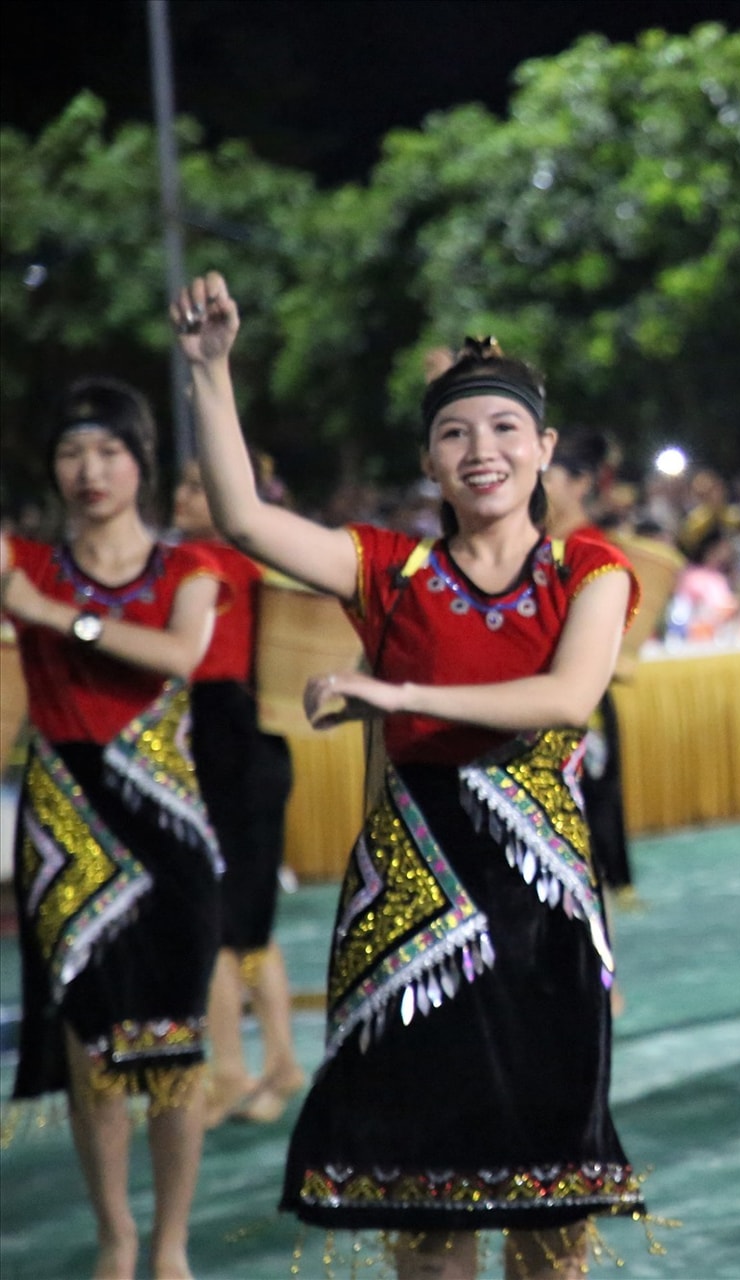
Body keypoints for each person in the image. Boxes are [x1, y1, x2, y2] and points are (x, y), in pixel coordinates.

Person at [174, 272, 648, 1279]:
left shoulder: (588, 567)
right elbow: (248, 521)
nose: (483, 452)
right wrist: (211, 371)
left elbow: (567, 698)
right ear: (429, 458)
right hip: (409, 914)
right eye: (456, 434)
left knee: (549, 1211)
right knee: (426, 1215)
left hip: (543, 920)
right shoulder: (388, 566)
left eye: (506, 428)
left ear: (545, 449)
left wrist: (401, 697)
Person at [2, 377, 223, 1280]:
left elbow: (178, 655)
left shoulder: (188, 571)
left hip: (168, 830)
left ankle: (169, 1245)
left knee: (173, 1048)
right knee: (90, 1047)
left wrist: (59, 618)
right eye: (69, 452)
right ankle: (115, 1238)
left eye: (108, 451)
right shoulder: (23, 557)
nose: (88, 471)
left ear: (142, 462)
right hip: (63, 824)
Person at [170, 460, 303, 1126]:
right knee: (235, 927)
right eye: (184, 484)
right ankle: (255, 1064)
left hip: (231, 748)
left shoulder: (211, 563)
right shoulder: (243, 560)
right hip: (235, 748)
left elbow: (187, 658)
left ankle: (250, 1068)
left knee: (229, 929)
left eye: (199, 485)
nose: (183, 495)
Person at [542, 431, 636, 902]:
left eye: (548, 476)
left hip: (581, 707)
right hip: (536, 708)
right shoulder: (528, 546)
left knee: (585, 830)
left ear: (580, 484)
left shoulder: (591, 552)